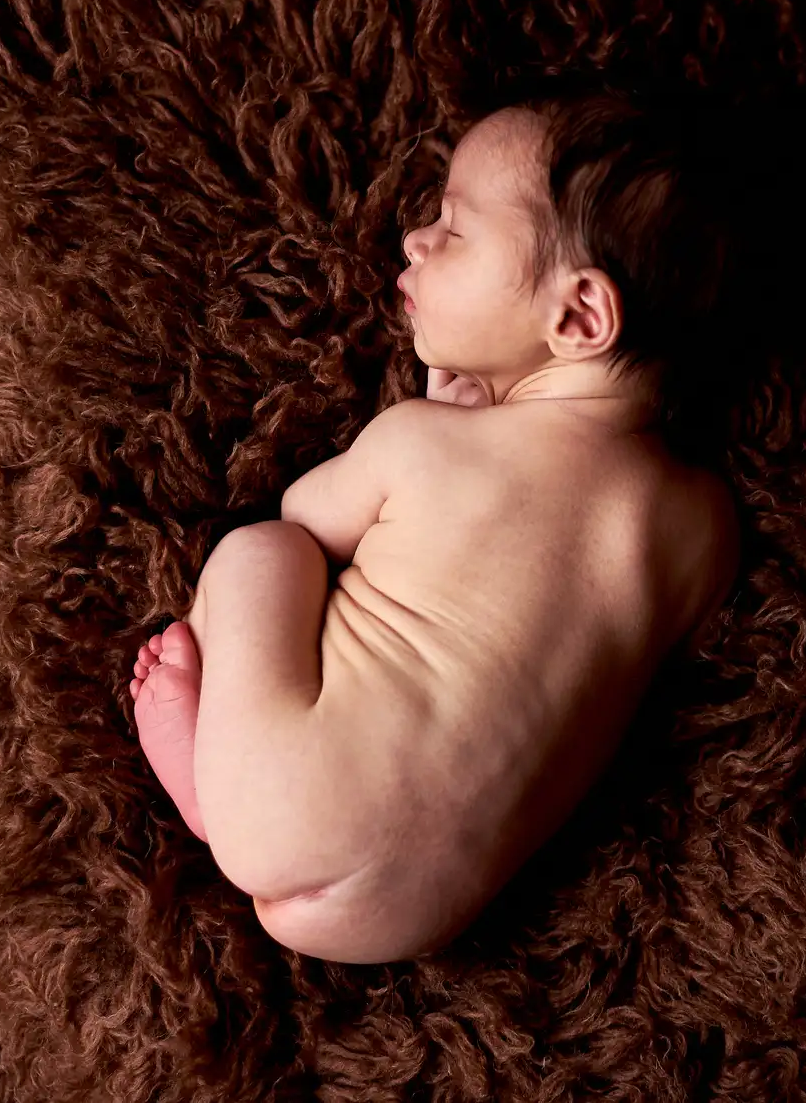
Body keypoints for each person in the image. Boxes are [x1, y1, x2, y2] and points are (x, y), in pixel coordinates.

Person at [127, 73, 745, 963]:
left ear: (577, 315)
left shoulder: (426, 443)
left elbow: (307, 519)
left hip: (284, 811)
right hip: (411, 918)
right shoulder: (705, 525)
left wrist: (448, 425)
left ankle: (208, 791)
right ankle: (252, 820)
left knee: (260, 554)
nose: (417, 236)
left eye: (454, 230)